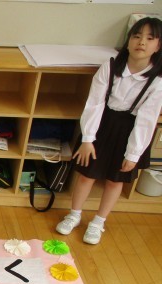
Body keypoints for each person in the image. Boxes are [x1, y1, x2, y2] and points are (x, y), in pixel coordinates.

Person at [56, 17, 162, 245]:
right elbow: (94, 103)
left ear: (158, 45)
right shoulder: (111, 66)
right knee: (86, 174)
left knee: (116, 180)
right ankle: (74, 214)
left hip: (130, 131)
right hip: (102, 125)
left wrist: (133, 154)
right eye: (136, 36)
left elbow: (147, 120)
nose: (142, 42)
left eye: (150, 38)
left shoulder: (157, 81)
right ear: (128, 40)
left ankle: (98, 222)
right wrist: (88, 139)